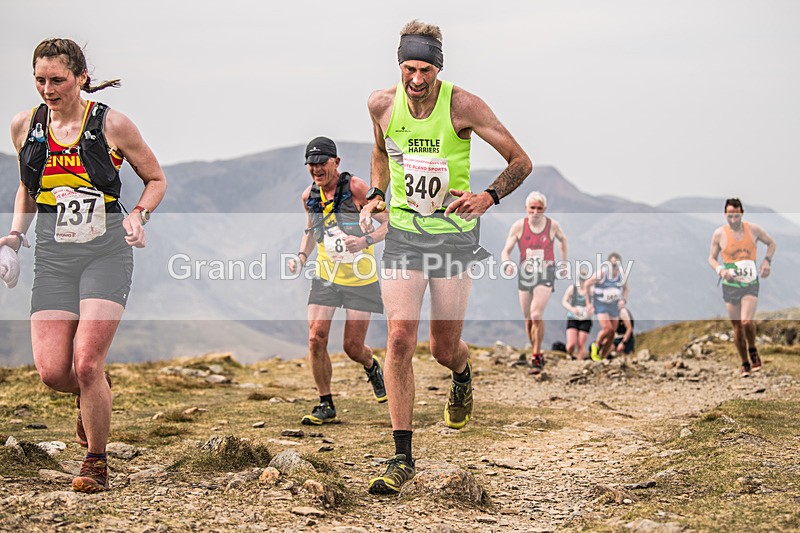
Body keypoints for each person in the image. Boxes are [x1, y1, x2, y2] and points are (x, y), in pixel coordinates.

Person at [359, 20, 532, 494]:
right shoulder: (381, 104)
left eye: (427, 70)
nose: (417, 80)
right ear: (400, 65)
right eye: (410, 69)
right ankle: (402, 456)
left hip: (454, 236)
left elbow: (521, 160)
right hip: (404, 235)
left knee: (441, 348)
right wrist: (377, 193)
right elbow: (381, 150)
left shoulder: (464, 105)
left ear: (439, 69)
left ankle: (461, 371)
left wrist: (488, 197)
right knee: (398, 339)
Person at [0, 39, 166, 493]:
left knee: (87, 362)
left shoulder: (110, 123)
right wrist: (15, 236)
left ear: (81, 78)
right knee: (55, 371)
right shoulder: (25, 126)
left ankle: (95, 461)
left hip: (105, 251)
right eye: (40, 80)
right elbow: (27, 188)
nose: (48, 89)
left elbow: (155, 178)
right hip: (54, 256)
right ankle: (93, 391)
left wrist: (138, 215)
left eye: (57, 80)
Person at [288, 137, 389, 425]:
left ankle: (371, 366)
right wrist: (300, 257)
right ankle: (325, 403)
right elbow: (310, 230)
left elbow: (389, 223)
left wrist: (364, 240)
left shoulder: (356, 188)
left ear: (336, 162)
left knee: (352, 347)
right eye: (311, 164)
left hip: (360, 277)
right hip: (326, 276)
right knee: (315, 337)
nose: (316, 169)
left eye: (322, 163)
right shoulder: (308, 196)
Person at [501, 191, 567, 373]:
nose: (536, 212)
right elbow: (506, 250)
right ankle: (536, 350)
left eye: (539, 208)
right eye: (532, 208)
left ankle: (536, 356)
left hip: (546, 272)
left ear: (544, 209)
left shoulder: (552, 226)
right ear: (526, 209)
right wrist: (507, 263)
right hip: (526, 273)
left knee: (536, 313)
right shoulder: (518, 227)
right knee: (528, 318)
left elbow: (563, 240)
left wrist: (563, 262)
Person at [708, 198, 776, 377]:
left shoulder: (753, 230)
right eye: (730, 216)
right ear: (725, 214)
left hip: (750, 282)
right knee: (737, 327)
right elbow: (712, 258)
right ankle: (744, 362)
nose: (733, 220)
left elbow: (771, 243)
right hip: (730, 284)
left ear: (741, 213)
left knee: (747, 322)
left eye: (736, 216)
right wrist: (721, 270)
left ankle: (752, 349)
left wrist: (767, 261)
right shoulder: (719, 234)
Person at [586, 253, 629, 361]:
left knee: (612, 333)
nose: (614, 267)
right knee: (607, 328)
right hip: (601, 304)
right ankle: (596, 346)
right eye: (612, 264)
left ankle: (602, 356)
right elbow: (587, 284)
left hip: (614, 305)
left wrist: (623, 300)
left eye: (616, 265)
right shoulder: (602, 274)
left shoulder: (621, 275)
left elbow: (626, 289)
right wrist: (589, 303)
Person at [562, 265, 593, 360]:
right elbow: (564, 301)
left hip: (585, 319)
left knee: (581, 343)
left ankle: (580, 362)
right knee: (571, 344)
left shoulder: (591, 290)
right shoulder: (572, 288)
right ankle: (569, 355)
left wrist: (591, 308)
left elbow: (596, 303)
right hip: (573, 318)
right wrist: (572, 309)